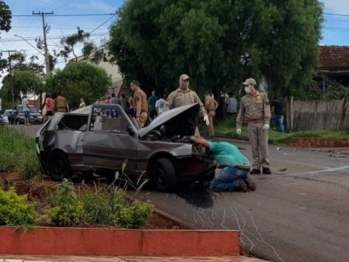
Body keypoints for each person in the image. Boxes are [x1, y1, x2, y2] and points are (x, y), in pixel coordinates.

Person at [189, 136, 256, 192]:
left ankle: (236, 184)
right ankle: (245, 179)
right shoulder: (229, 146)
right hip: (246, 167)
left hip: (235, 168)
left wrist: (191, 137)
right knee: (232, 175)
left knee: (214, 185)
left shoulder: (216, 145)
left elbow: (203, 142)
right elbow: (204, 142)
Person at [236, 78, 271, 175]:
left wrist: (267, 122)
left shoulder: (263, 96)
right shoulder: (244, 99)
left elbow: (266, 109)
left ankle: (265, 165)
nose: (246, 87)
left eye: (247, 85)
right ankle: (256, 166)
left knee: (263, 145)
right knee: (254, 146)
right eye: (245, 86)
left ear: (252, 85)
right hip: (251, 124)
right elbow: (241, 113)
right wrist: (238, 126)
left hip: (261, 123)